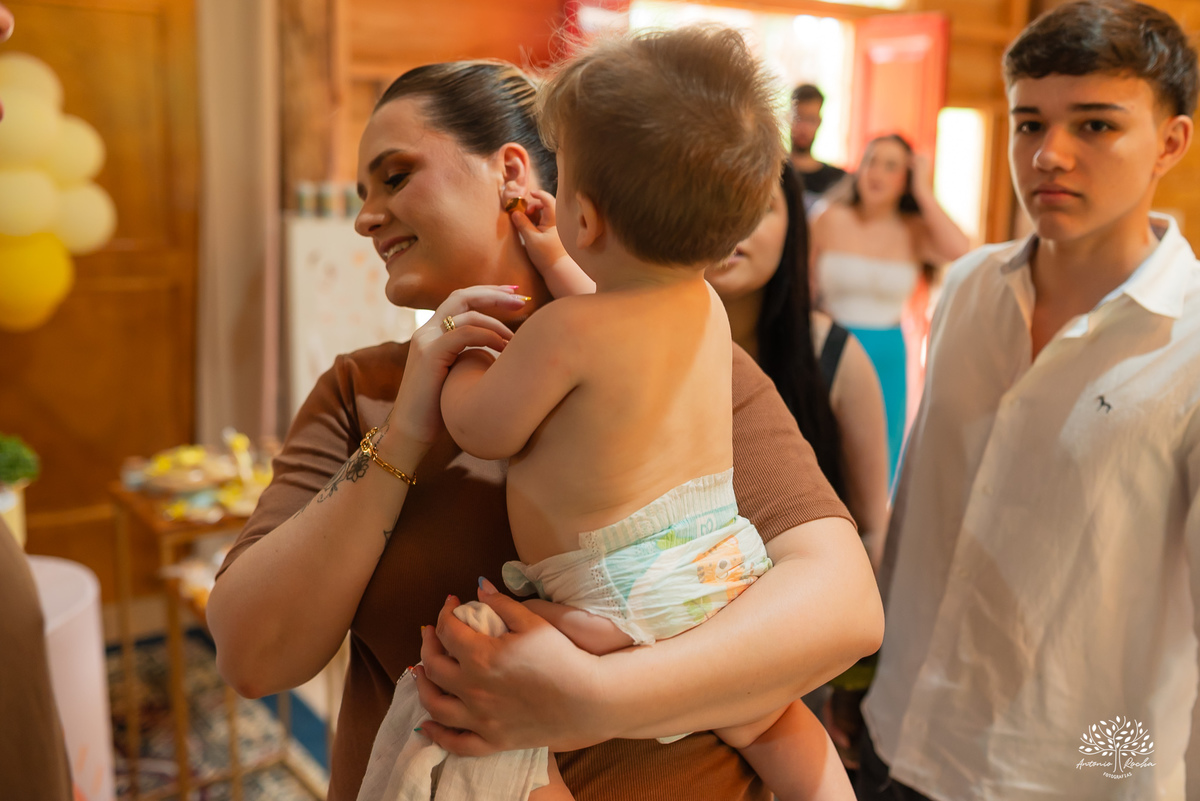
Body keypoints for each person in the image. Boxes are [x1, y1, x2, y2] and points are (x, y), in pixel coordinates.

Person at [206, 58, 884, 801]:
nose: (364, 216)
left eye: (394, 177)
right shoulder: (361, 391)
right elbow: (252, 654)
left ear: (511, 171)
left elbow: (843, 607)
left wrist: (594, 695)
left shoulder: (679, 354)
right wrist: (403, 430)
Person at [414, 28, 856, 801]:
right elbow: (611, 322)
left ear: (587, 216)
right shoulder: (704, 309)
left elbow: (484, 426)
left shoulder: (561, 333)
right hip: (720, 569)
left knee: (481, 690)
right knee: (773, 720)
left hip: (607, 591)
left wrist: (461, 354)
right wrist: (556, 253)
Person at [858, 2, 1198, 799]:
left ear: (1171, 142)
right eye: (1028, 123)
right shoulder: (972, 285)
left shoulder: (1187, 342)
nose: (1050, 154)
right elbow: (920, 502)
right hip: (899, 727)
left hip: (1066, 770)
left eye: (1096, 126)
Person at [706, 161, 889, 568]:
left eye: (757, 207)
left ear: (793, 228)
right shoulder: (649, 349)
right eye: (709, 203)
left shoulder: (835, 355)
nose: (731, 226)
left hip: (811, 611)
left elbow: (873, 525)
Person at [810, 135, 969, 485]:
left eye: (891, 166)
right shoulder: (827, 219)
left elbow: (962, 250)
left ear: (906, 179)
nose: (876, 173)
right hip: (827, 346)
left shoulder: (914, 231)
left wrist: (925, 193)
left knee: (876, 466)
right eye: (871, 161)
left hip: (888, 356)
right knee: (818, 455)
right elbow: (801, 289)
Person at [790, 84, 846, 209]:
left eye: (810, 120)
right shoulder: (772, 171)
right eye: (798, 118)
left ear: (819, 122)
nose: (803, 128)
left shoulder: (837, 180)